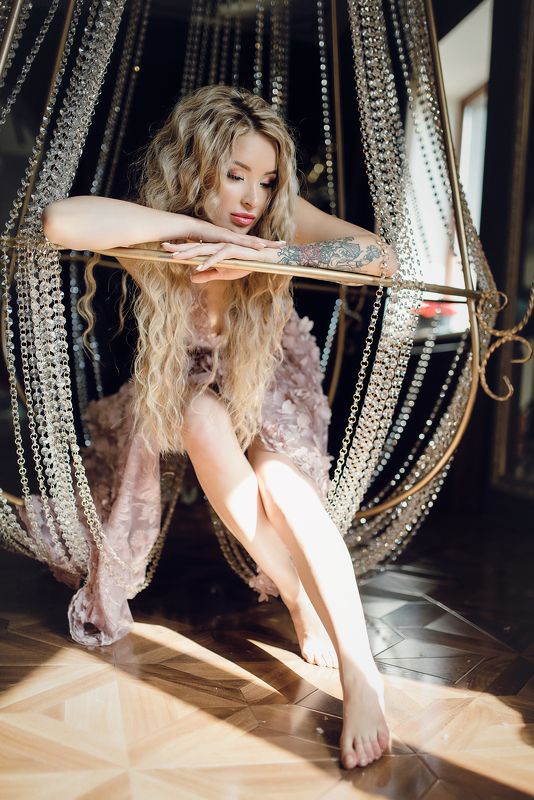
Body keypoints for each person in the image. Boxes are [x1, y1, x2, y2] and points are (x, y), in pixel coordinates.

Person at [41, 85, 397, 770]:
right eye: (235, 175)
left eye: (265, 181)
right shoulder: (155, 230)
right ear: (195, 166)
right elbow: (60, 220)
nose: (252, 200)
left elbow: (379, 257)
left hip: (273, 378)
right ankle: (294, 590)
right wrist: (204, 236)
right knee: (198, 415)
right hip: (191, 385)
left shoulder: (276, 220)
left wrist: (271, 257)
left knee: (282, 486)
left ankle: (362, 674)